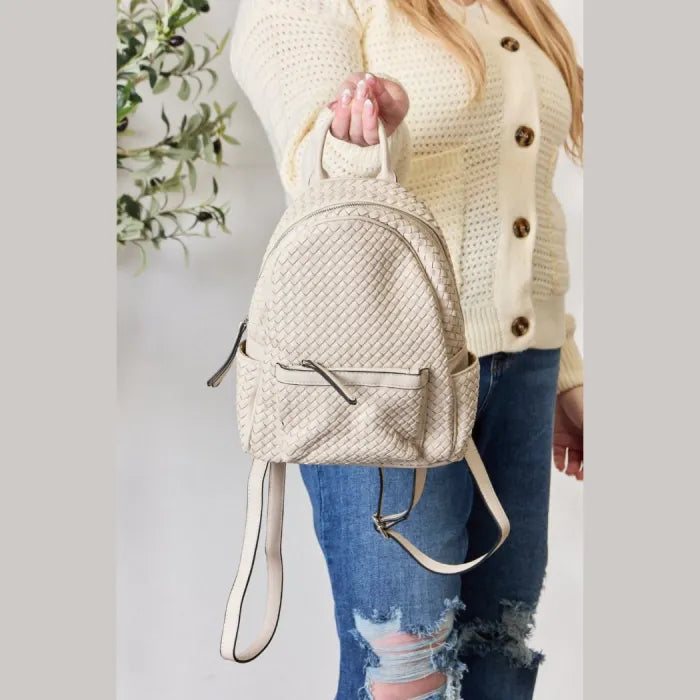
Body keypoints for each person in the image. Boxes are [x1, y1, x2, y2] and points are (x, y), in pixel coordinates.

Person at [228, 0, 584, 697]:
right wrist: (361, 137)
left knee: (501, 653)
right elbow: (313, 171)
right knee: (404, 668)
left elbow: (531, 201)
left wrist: (564, 370)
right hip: (381, 377)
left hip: (520, 372)